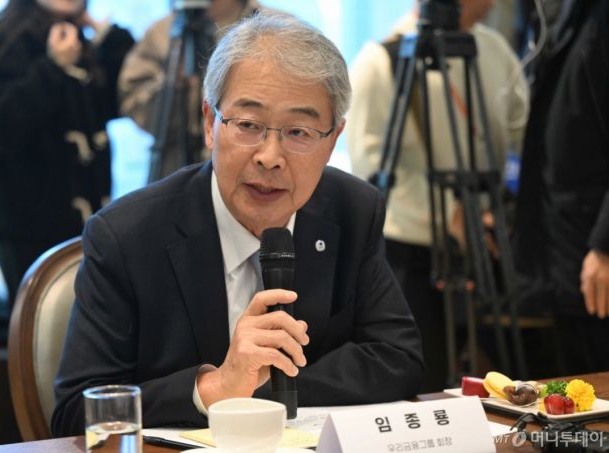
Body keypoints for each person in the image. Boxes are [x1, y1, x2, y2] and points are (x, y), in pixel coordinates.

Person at [52, 11, 424, 435]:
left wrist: (258, 392)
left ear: (332, 140)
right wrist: (216, 388)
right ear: (211, 124)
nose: (270, 157)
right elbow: (77, 414)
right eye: (248, 125)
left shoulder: (353, 210)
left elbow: (398, 359)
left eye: (299, 132)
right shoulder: (127, 236)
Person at [347, 0, 528, 391]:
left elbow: (520, 134)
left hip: (486, 244)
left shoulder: (493, 48)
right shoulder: (381, 61)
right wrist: (451, 214)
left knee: (507, 382)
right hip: (410, 254)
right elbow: (371, 173)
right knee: (422, 379)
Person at [0, 0, 134, 308]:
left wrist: (110, 37)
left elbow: (123, 99)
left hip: (90, 221)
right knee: (36, 326)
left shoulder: (81, 42)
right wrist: (52, 69)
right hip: (27, 227)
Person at [513, 0, 609, 374]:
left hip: (594, 254)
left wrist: (605, 246)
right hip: (563, 250)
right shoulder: (562, 14)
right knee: (574, 387)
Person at [118, 0, 262, 179]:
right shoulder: (162, 32)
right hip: (176, 168)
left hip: (255, 170)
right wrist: (172, 83)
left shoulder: (276, 26)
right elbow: (133, 103)